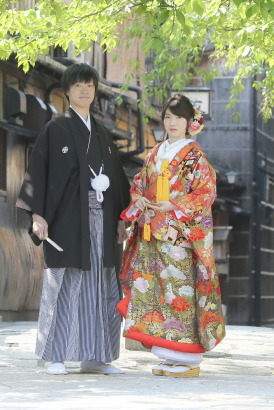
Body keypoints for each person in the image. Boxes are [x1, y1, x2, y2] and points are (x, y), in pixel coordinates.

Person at [16, 63, 131, 375]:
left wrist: (122, 217)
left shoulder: (104, 134)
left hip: (102, 221)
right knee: (63, 284)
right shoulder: (56, 130)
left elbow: (118, 181)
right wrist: (38, 214)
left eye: (89, 85)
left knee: (99, 285)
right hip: (67, 221)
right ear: (66, 92)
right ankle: (55, 354)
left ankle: (96, 355)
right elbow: (38, 173)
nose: (85, 90)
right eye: (78, 85)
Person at [117, 94, 225, 378]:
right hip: (153, 232)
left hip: (180, 236)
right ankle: (168, 355)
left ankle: (188, 358)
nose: (173, 122)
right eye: (168, 117)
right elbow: (139, 183)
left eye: (179, 117)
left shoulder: (194, 155)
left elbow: (205, 191)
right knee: (157, 294)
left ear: (190, 122)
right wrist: (139, 199)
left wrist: (175, 206)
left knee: (180, 293)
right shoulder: (155, 153)